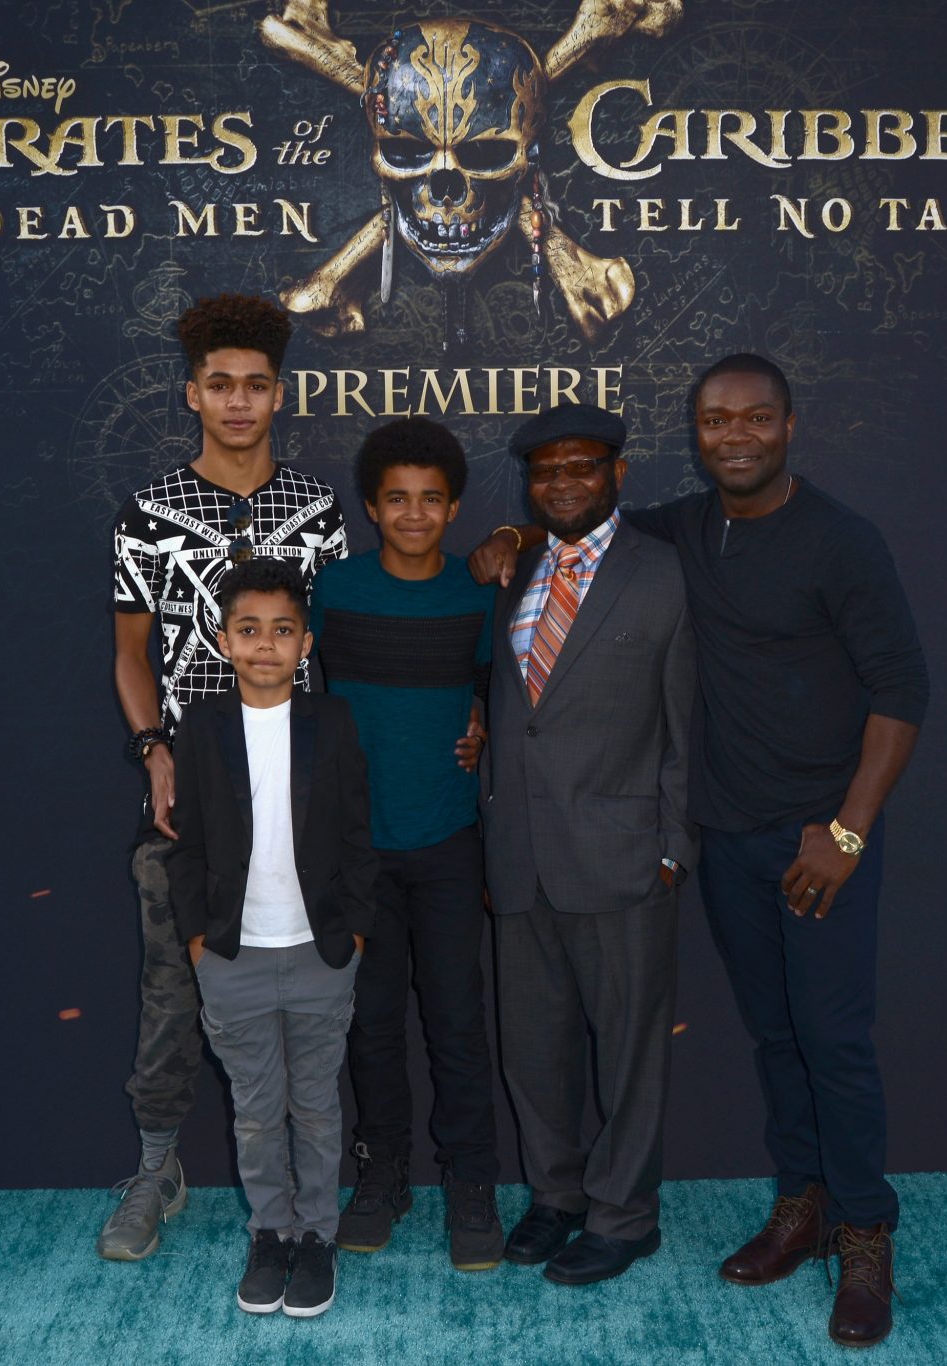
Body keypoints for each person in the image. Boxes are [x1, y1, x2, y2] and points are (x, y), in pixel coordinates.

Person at [469, 354, 929, 1349]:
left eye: (754, 418)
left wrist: (848, 828)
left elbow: (901, 686)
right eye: (717, 420)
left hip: (819, 839)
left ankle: (864, 1232)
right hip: (729, 833)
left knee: (833, 1041)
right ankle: (801, 1207)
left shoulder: (841, 539)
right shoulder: (688, 527)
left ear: (789, 425)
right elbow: (582, 525)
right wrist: (512, 535)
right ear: (696, 433)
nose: (734, 435)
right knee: (777, 1037)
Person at [102, 293, 347, 1260]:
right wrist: (153, 748)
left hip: (299, 800)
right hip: (189, 804)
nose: (238, 402)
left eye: (254, 385)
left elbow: (337, 651)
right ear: (192, 395)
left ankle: (317, 1192)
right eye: (219, 385)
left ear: (279, 395)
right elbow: (129, 655)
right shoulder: (149, 513)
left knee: (317, 995)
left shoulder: (316, 511)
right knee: (173, 993)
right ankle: (154, 1169)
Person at [481, 402, 696, 1288]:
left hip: (624, 856)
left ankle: (624, 1217)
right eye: (546, 471)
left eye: (582, 467)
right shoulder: (515, 567)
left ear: (617, 474)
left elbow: (688, 722)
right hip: (519, 856)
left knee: (630, 1053)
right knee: (533, 1050)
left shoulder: (667, 574)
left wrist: (673, 847)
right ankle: (557, 1196)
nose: (563, 482)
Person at [308, 417, 504, 1270]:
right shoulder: (333, 591)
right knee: (371, 1023)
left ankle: (471, 1180)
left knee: (458, 1022)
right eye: (397, 499)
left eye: (431, 499)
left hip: (449, 842)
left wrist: (483, 720)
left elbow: (503, 694)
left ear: (454, 508)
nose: (414, 514)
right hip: (359, 851)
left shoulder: (477, 593)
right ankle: (382, 1170)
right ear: (372, 507)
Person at [165, 559, 377, 1319]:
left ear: (305, 643)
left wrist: (354, 936)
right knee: (256, 1114)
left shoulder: (334, 721)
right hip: (233, 957)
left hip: (321, 953)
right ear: (223, 640)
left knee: (316, 1108)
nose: (265, 644)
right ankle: (271, 1234)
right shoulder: (201, 727)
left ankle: (316, 1236)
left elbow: (358, 836)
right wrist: (199, 942)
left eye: (282, 631)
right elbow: (186, 845)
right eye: (249, 630)